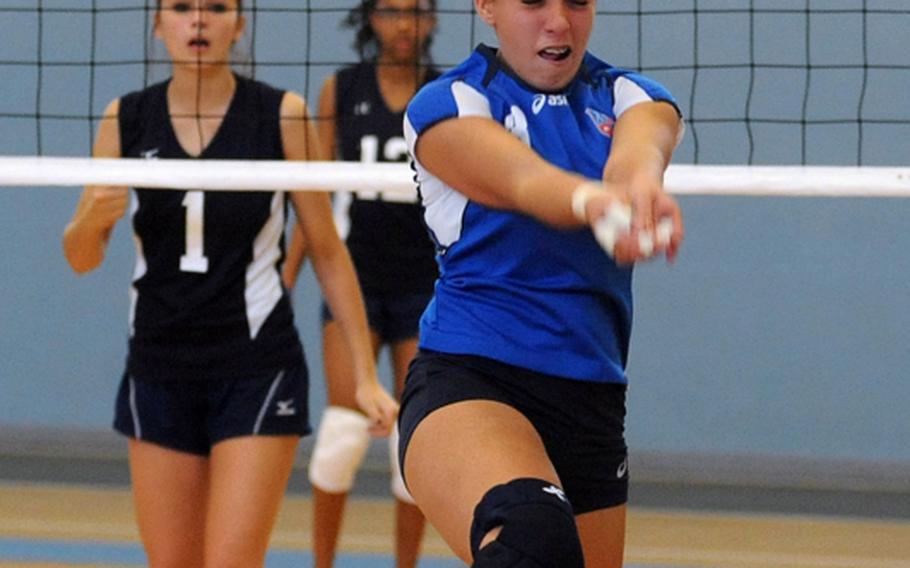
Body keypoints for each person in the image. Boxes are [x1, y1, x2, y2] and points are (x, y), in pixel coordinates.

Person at [61, 2, 397, 567]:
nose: (199, 21)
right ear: (158, 22)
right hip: (159, 366)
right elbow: (82, 257)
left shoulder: (281, 116)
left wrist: (364, 374)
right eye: (182, 8)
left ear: (239, 25)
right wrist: (91, 219)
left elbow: (328, 251)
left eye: (217, 8)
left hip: (256, 368)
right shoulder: (127, 118)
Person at [397, 0, 685, 567]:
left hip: (591, 403)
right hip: (472, 381)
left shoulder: (633, 97)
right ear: (486, 6)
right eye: (533, 2)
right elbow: (524, 181)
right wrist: (593, 202)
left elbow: (638, 152)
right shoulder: (449, 105)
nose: (558, 21)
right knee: (532, 538)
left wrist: (636, 189)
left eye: (576, 1)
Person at [282, 1, 437, 566]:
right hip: (356, 279)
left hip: (427, 284)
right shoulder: (341, 91)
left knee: (413, 437)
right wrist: (287, 274)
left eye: (418, 12)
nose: (405, 24)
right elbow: (312, 193)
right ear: (370, 19)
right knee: (344, 430)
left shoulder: (449, 93)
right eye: (393, 12)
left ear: (434, 21)